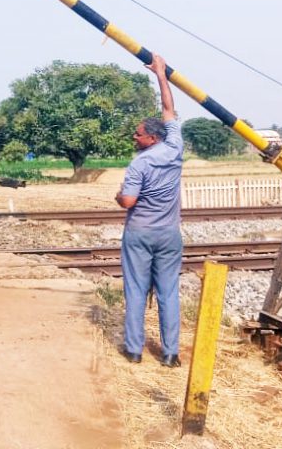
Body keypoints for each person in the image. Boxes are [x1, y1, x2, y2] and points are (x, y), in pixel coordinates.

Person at [114, 54, 184, 368]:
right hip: (169, 234)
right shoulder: (174, 149)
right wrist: (161, 74)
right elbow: (168, 109)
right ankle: (170, 354)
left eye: (138, 134)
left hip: (140, 233)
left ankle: (134, 350)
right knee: (169, 292)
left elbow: (128, 202)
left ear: (151, 138)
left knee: (137, 291)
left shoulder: (139, 164)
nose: (134, 136)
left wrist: (118, 196)